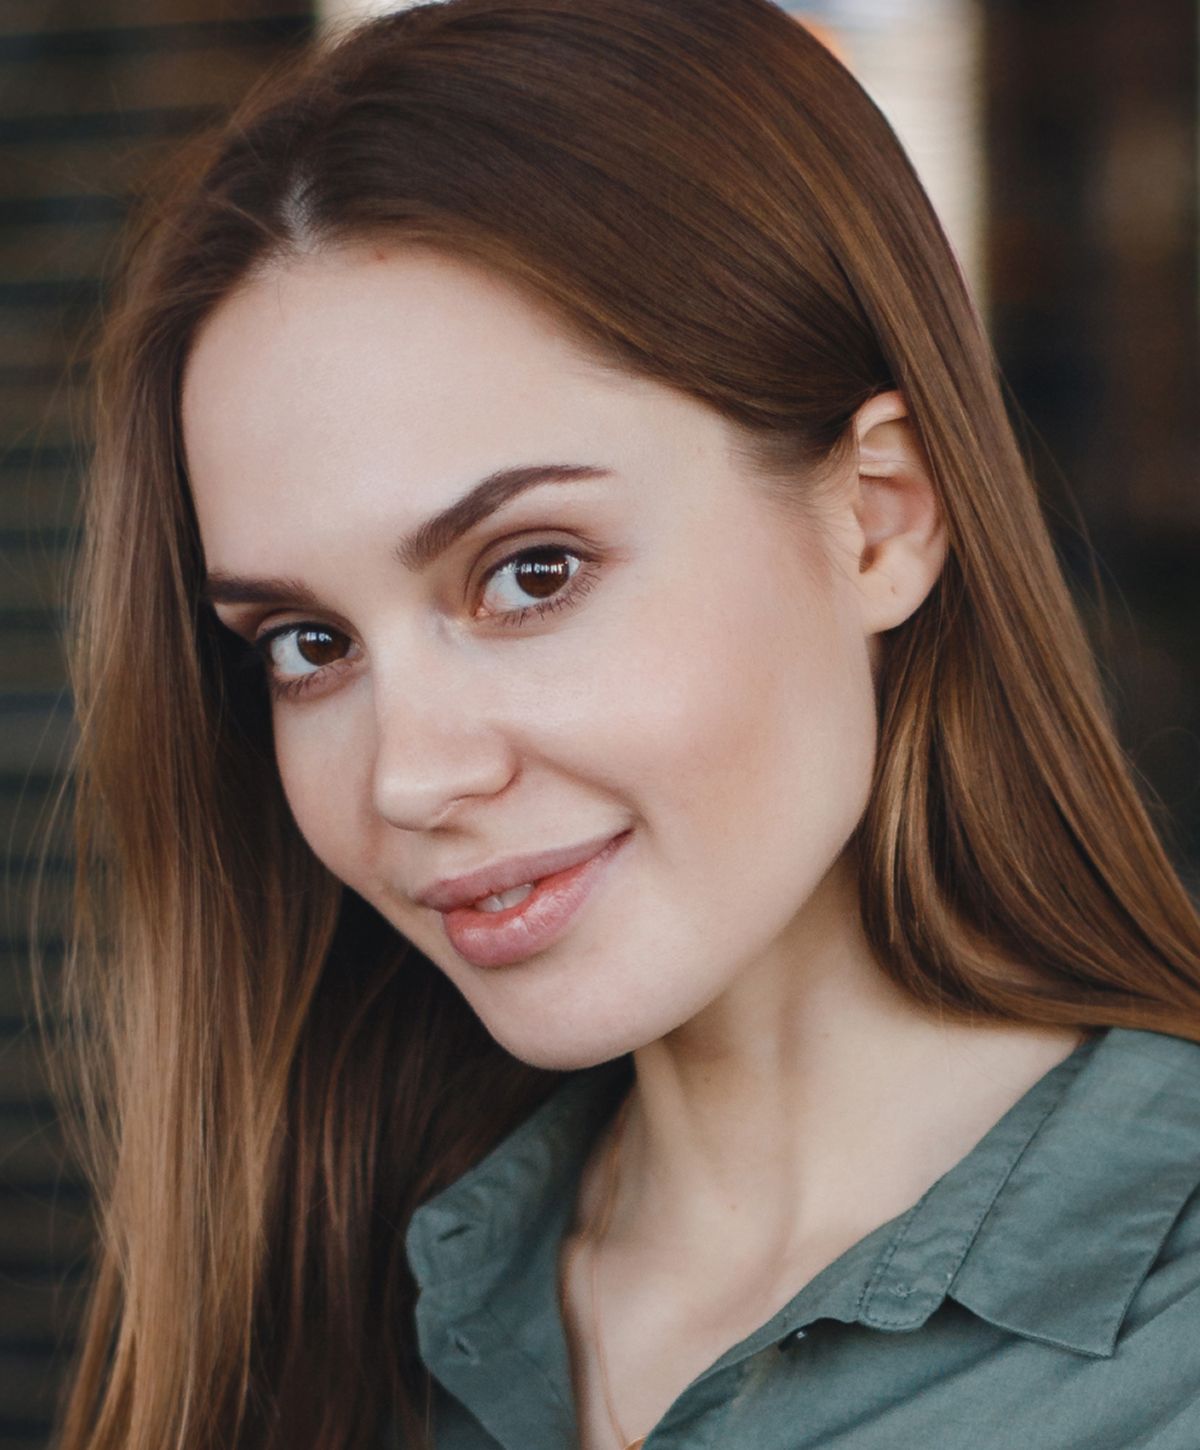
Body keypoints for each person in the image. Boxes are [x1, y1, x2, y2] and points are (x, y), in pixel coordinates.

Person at [46, 1, 1200, 1448]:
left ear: (881, 520)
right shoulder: (312, 1329)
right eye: (310, 644)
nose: (411, 776)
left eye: (532, 572)